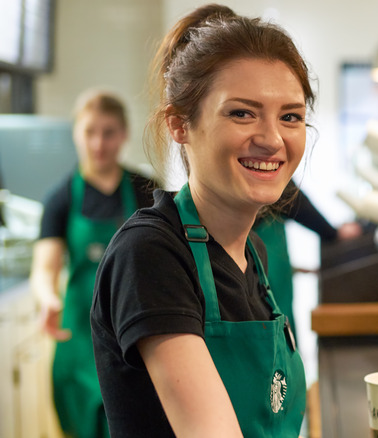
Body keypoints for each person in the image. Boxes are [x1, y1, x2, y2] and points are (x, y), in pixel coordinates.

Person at [90, 4, 315, 437]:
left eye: (290, 116)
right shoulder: (151, 253)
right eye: (242, 113)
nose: (271, 139)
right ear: (179, 124)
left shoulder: (253, 254)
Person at [29, 90, 156, 438]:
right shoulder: (60, 198)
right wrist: (48, 299)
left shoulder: (146, 191)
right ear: (76, 134)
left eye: (109, 132)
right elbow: (44, 267)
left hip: (134, 337)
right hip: (78, 338)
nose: (99, 143)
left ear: (124, 134)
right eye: (90, 132)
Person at [254, 181, 362, 338]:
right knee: (273, 313)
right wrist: (332, 233)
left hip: (262, 239)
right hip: (263, 238)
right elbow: (291, 196)